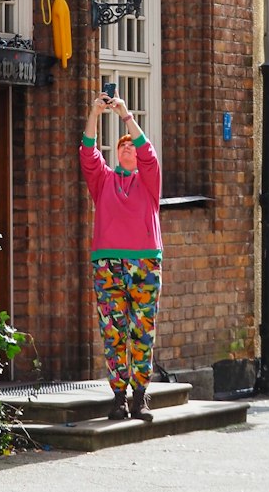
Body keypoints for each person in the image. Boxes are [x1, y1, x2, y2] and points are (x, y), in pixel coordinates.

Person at [79, 90, 163, 421]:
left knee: (142, 329)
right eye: (123, 145)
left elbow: (150, 155)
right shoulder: (104, 181)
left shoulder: (149, 181)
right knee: (113, 331)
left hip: (144, 261)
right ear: (115, 154)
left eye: (132, 146)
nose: (129, 147)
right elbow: (87, 155)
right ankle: (118, 397)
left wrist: (126, 116)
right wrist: (96, 113)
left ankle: (141, 396)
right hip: (108, 262)